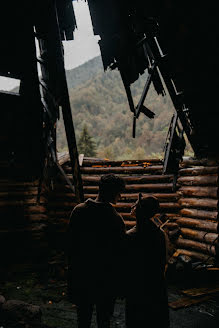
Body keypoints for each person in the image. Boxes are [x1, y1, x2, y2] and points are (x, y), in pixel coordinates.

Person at [67, 174, 126, 328]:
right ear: (113, 192)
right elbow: (119, 255)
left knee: (83, 319)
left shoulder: (78, 211)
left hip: (82, 275)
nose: (120, 196)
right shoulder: (115, 219)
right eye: (119, 192)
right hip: (105, 279)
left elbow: (70, 246)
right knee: (104, 320)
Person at [125, 193, 170, 328]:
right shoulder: (159, 234)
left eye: (136, 205)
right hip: (156, 283)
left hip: (137, 285)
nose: (132, 206)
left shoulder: (131, 236)